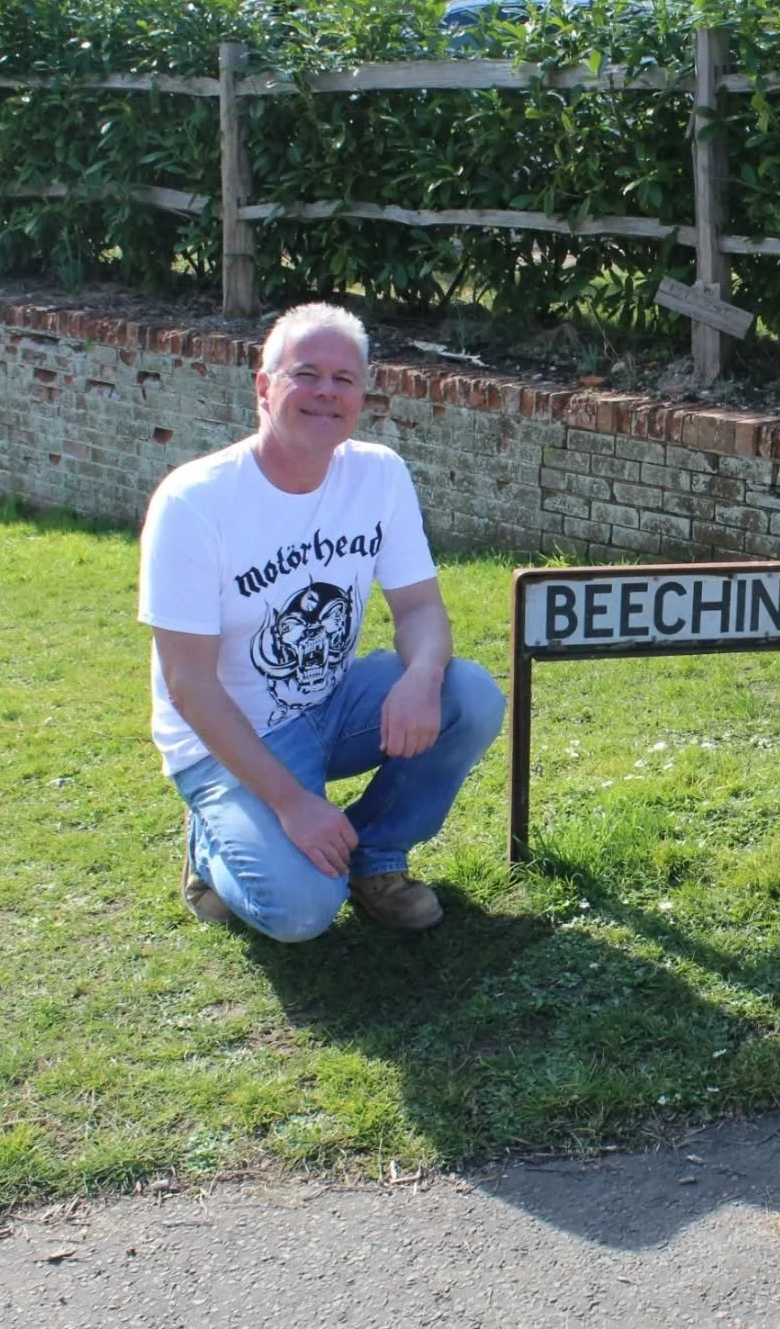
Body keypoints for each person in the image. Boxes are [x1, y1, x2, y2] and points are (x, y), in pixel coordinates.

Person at [138, 303, 506, 940]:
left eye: (345, 379)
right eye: (306, 373)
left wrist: (421, 676)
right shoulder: (195, 502)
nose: (326, 393)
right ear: (264, 387)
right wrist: (291, 804)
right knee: (302, 911)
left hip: (329, 704)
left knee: (466, 695)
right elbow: (189, 684)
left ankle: (375, 857)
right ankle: (208, 846)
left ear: (362, 395)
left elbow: (420, 607)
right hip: (226, 740)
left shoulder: (378, 475)